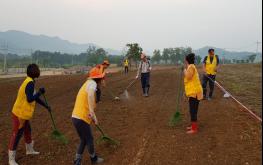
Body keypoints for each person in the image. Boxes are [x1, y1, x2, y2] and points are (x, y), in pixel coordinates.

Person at [8, 64, 50, 165]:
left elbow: (33, 97)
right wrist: (39, 92)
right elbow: (30, 98)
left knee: (27, 131)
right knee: (17, 134)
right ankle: (11, 159)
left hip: (24, 114)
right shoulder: (30, 83)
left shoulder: (30, 81)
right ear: (34, 72)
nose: (39, 71)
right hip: (19, 114)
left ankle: (29, 150)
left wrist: (46, 106)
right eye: (38, 70)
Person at [72, 67, 104, 165]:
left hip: (75, 117)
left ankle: (77, 161)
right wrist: (92, 113)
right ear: (98, 78)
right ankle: (94, 159)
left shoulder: (87, 83)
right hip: (81, 117)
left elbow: (90, 99)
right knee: (89, 139)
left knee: (84, 139)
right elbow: (90, 95)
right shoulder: (92, 84)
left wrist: (92, 115)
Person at [184, 53, 203, 134]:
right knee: (192, 110)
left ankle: (194, 129)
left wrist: (184, 70)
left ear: (187, 60)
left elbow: (188, 77)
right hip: (194, 92)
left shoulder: (191, 67)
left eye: (185, 59)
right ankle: (193, 126)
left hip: (195, 93)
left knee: (193, 111)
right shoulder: (191, 66)